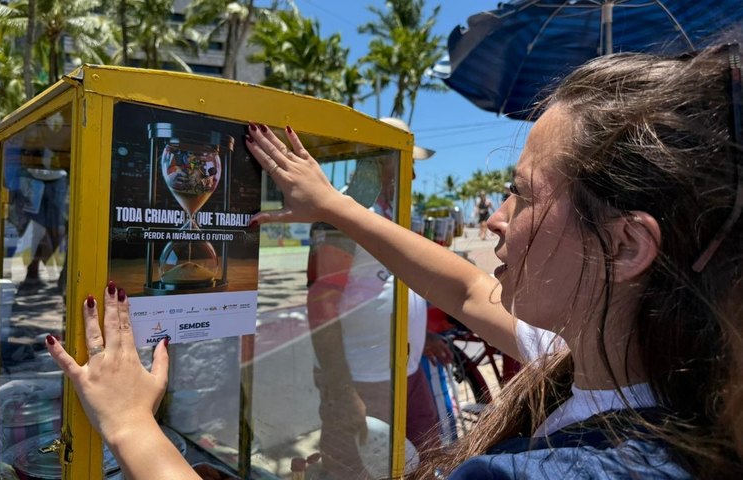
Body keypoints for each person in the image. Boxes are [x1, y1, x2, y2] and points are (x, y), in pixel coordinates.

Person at [47, 41, 743, 479]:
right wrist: (333, 206)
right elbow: (468, 291)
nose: (494, 219)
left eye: (523, 194)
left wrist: (131, 424)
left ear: (625, 246)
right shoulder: (647, 367)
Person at [307, 117, 448, 477]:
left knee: (425, 460)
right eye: (406, 161)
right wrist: (342, 390)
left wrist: (421, 336)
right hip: (362, 377)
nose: (412, 175)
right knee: (356, 470)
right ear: (381, 159)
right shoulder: (344, 211)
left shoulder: (391, 213)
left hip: (406, 368)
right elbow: (322, 303)